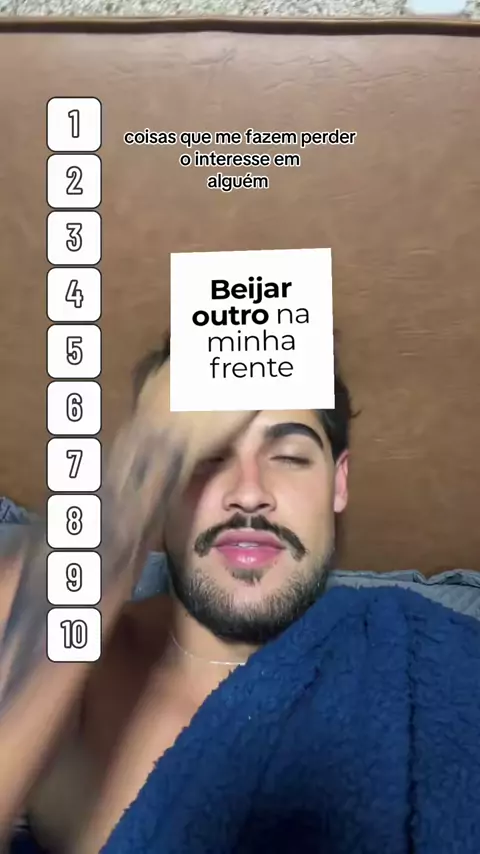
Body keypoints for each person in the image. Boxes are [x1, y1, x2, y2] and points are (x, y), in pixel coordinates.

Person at [0, 340, 352, 854]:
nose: (248, 492)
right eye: (204, 459)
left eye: (290, 457)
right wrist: (153, 453)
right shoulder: (80, 672)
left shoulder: (410, 658)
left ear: (339, 483)